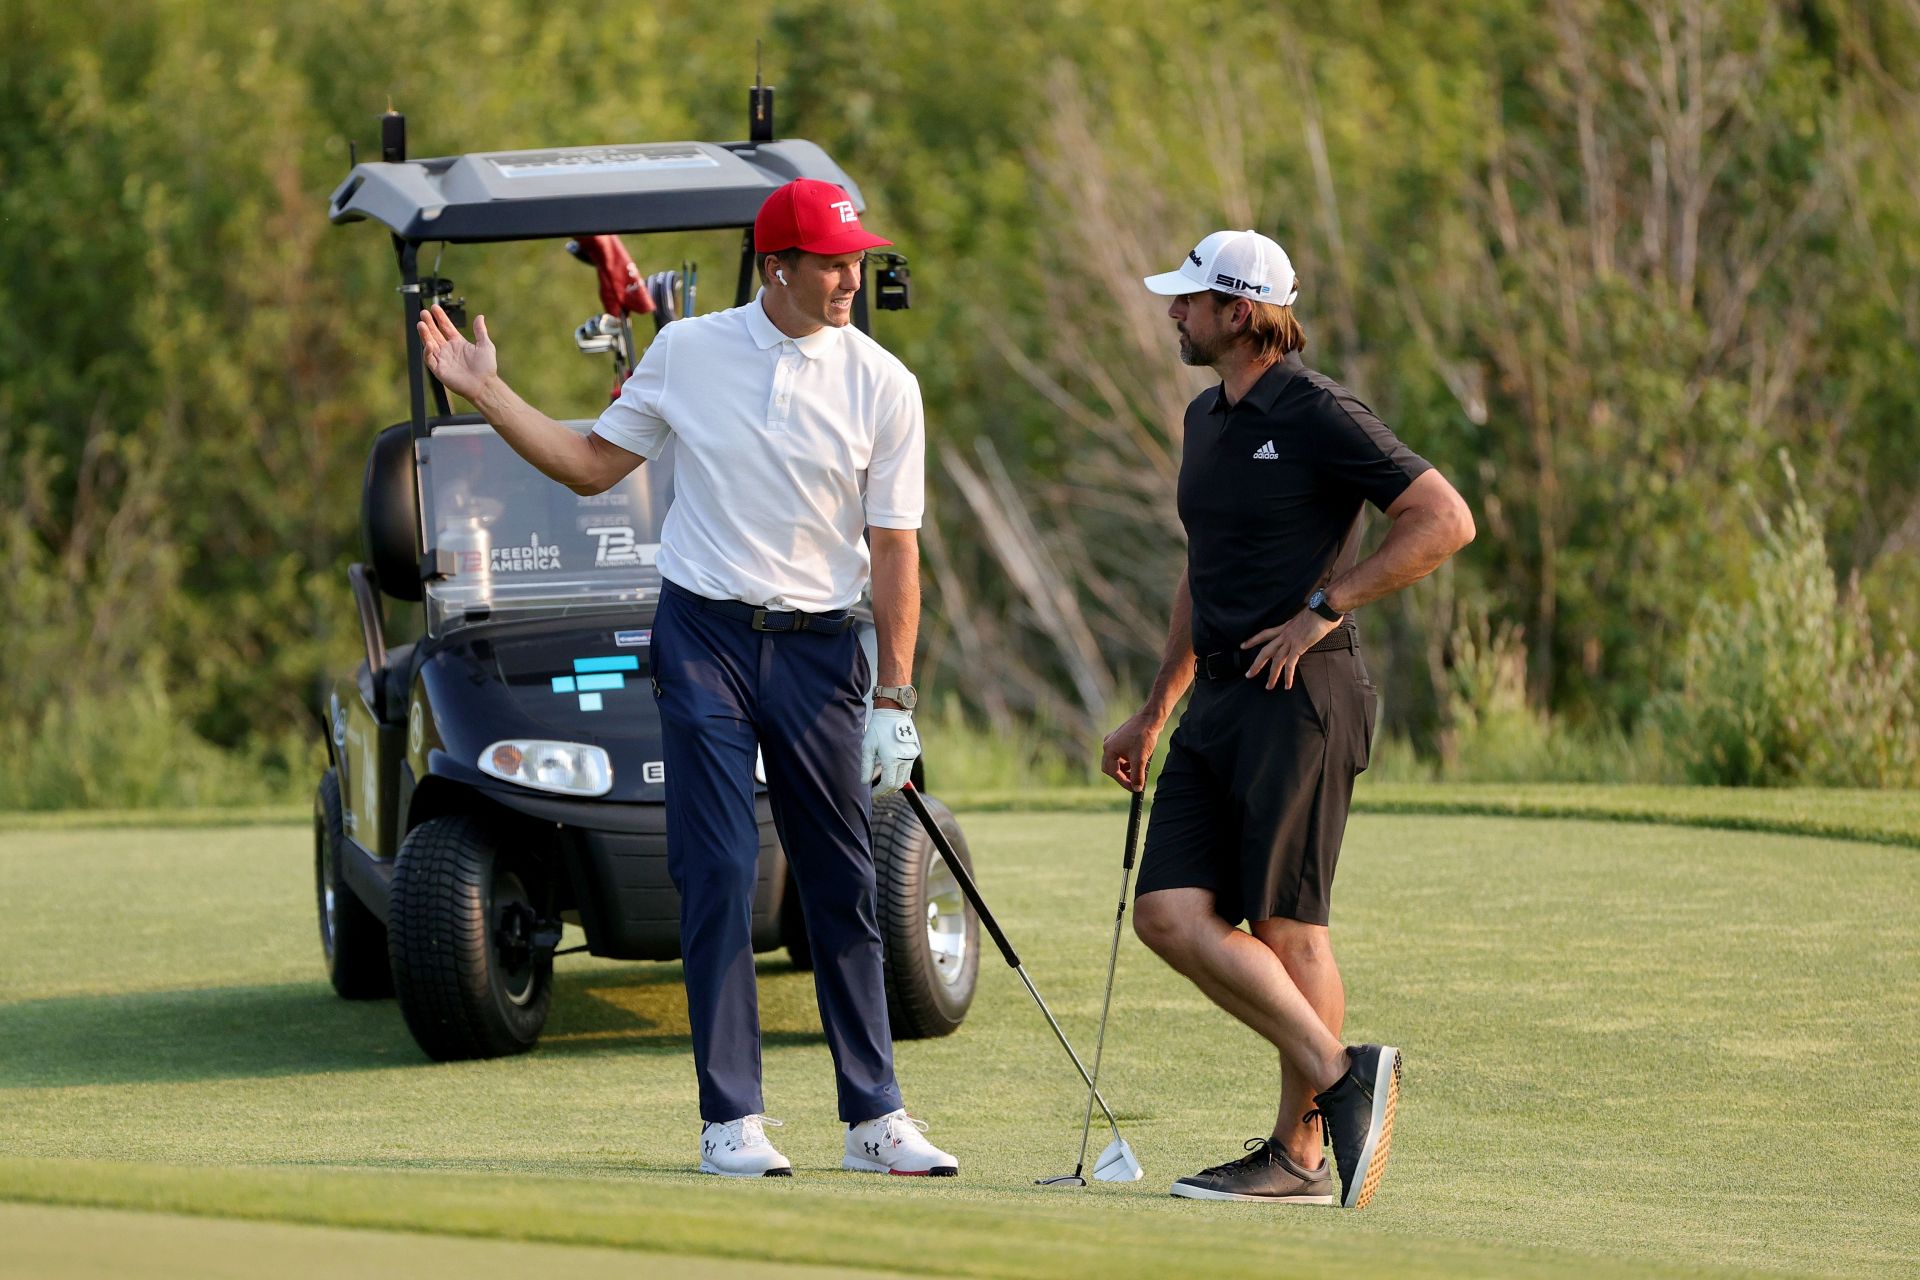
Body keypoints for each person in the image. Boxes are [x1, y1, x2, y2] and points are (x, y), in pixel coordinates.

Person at [415, 178, 957, 1180]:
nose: (851, 277)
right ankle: (732, 1119)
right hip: (703, 634)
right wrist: (488, 389)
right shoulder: (691, 351)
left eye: (856, 259)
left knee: (839, 876)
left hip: (824, 650)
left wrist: (896, 696)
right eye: (831, 261)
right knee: (715, 868)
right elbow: (587, 465)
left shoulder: (886, 383)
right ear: (779, 266)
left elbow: (894, 551)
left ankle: (875, 1112)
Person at [1100, 229, 1474, 1209]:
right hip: (1217, 698)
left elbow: (1443, 519)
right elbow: (1201, 569)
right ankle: (1340, 1068)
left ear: (1240, 312)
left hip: (1303, 695)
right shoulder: (1202, 419)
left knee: (1286, 924)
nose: (1173, 312)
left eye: (1190, 300)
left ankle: (1300, 1155)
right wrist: (1155, 706)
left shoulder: (1316, 411)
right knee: (1169, 913)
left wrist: (1324, 607)